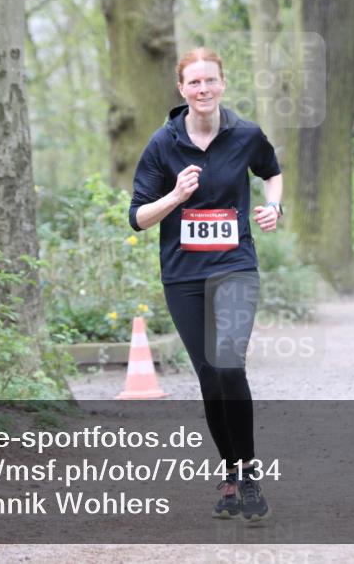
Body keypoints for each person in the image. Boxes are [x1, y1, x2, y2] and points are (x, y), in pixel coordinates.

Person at [128, 47, 282, 521]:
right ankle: (230, 473)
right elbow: (137, 217)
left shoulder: (246, 135)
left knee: (229, 364)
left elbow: (272, 173)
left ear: (222, 84)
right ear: (182, 90)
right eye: (194, 83)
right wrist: (175, 194)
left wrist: (274, 208)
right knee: (210, 378)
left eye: (210, 81)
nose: (203, 90)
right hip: (184, 277)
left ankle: (250, 473)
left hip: (235, 267)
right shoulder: (162, 144)